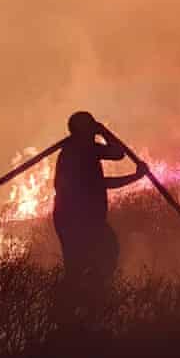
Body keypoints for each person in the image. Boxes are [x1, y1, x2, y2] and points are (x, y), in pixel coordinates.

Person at [52, 111, 148, 330]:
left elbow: (118, 153)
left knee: (94, 260)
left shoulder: (85, 149)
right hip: (76, 219)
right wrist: (135, 177)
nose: (95, 131)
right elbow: (102, 183)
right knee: (88, 262)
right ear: (85, 130)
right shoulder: (76, 152)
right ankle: (74, 318)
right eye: (91, 127)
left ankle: (81, 314)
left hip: (81, 218)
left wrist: (103, 130)